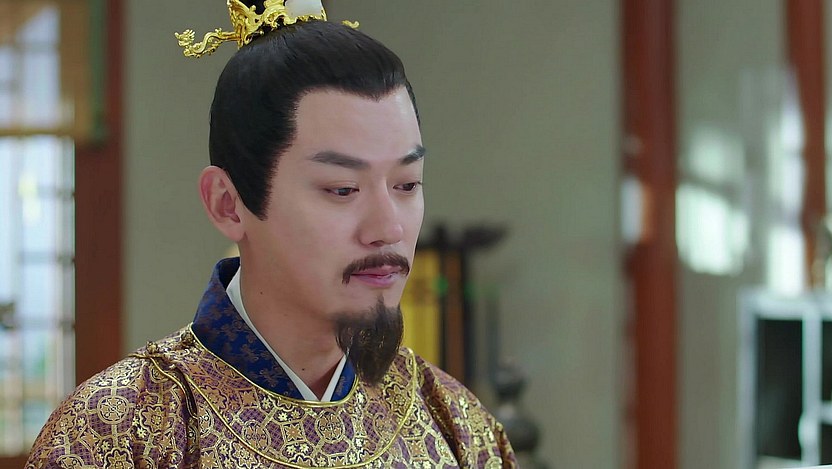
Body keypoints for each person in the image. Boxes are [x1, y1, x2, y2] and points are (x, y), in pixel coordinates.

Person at [26, 0, 517, 467]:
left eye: (406, 185)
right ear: (228, 203)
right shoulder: (114, 435)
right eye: (342, 189)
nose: (388, 228)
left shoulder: (455, 424)